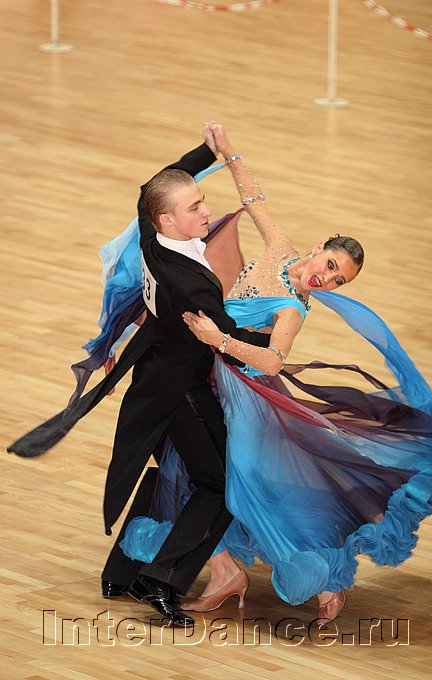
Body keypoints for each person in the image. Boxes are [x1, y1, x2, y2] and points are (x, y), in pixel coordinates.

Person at [118, 123, 432, 623]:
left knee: (249, 483)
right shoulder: (280, 249)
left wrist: (218, 340)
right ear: (318, 247)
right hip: (208, 377)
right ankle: (224, 572)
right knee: (196, 471)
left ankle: (323, 580)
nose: (327, 277)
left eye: (338, 280)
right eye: (331, 264)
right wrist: (229, 152)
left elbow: (273, 361)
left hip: (245, 392)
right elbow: (253, 199)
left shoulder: (293, 308)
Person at [8, 126, 271, 627]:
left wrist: (205, 152)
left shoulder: (153, 235)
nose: (206, 211)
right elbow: (225, 337)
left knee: (169, 470)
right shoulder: (190, 283)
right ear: (167, 218)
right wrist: (276, 339)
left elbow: (153, 185)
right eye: (195, 206)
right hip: (181, 392)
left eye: (202, 201)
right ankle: (162, 579)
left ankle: (123, 571)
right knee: (221, 485)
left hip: (153, 380)